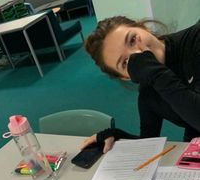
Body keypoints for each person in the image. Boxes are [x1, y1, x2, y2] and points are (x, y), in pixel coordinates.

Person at [81, 16, 200, 153]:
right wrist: (117, 136)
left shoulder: (195, 39)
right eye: (125, 62)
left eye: (132, 40)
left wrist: (156, 73)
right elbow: (147, 142)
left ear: (144, 28)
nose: (138, 54)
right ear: (125, 77)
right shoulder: (148, 91)